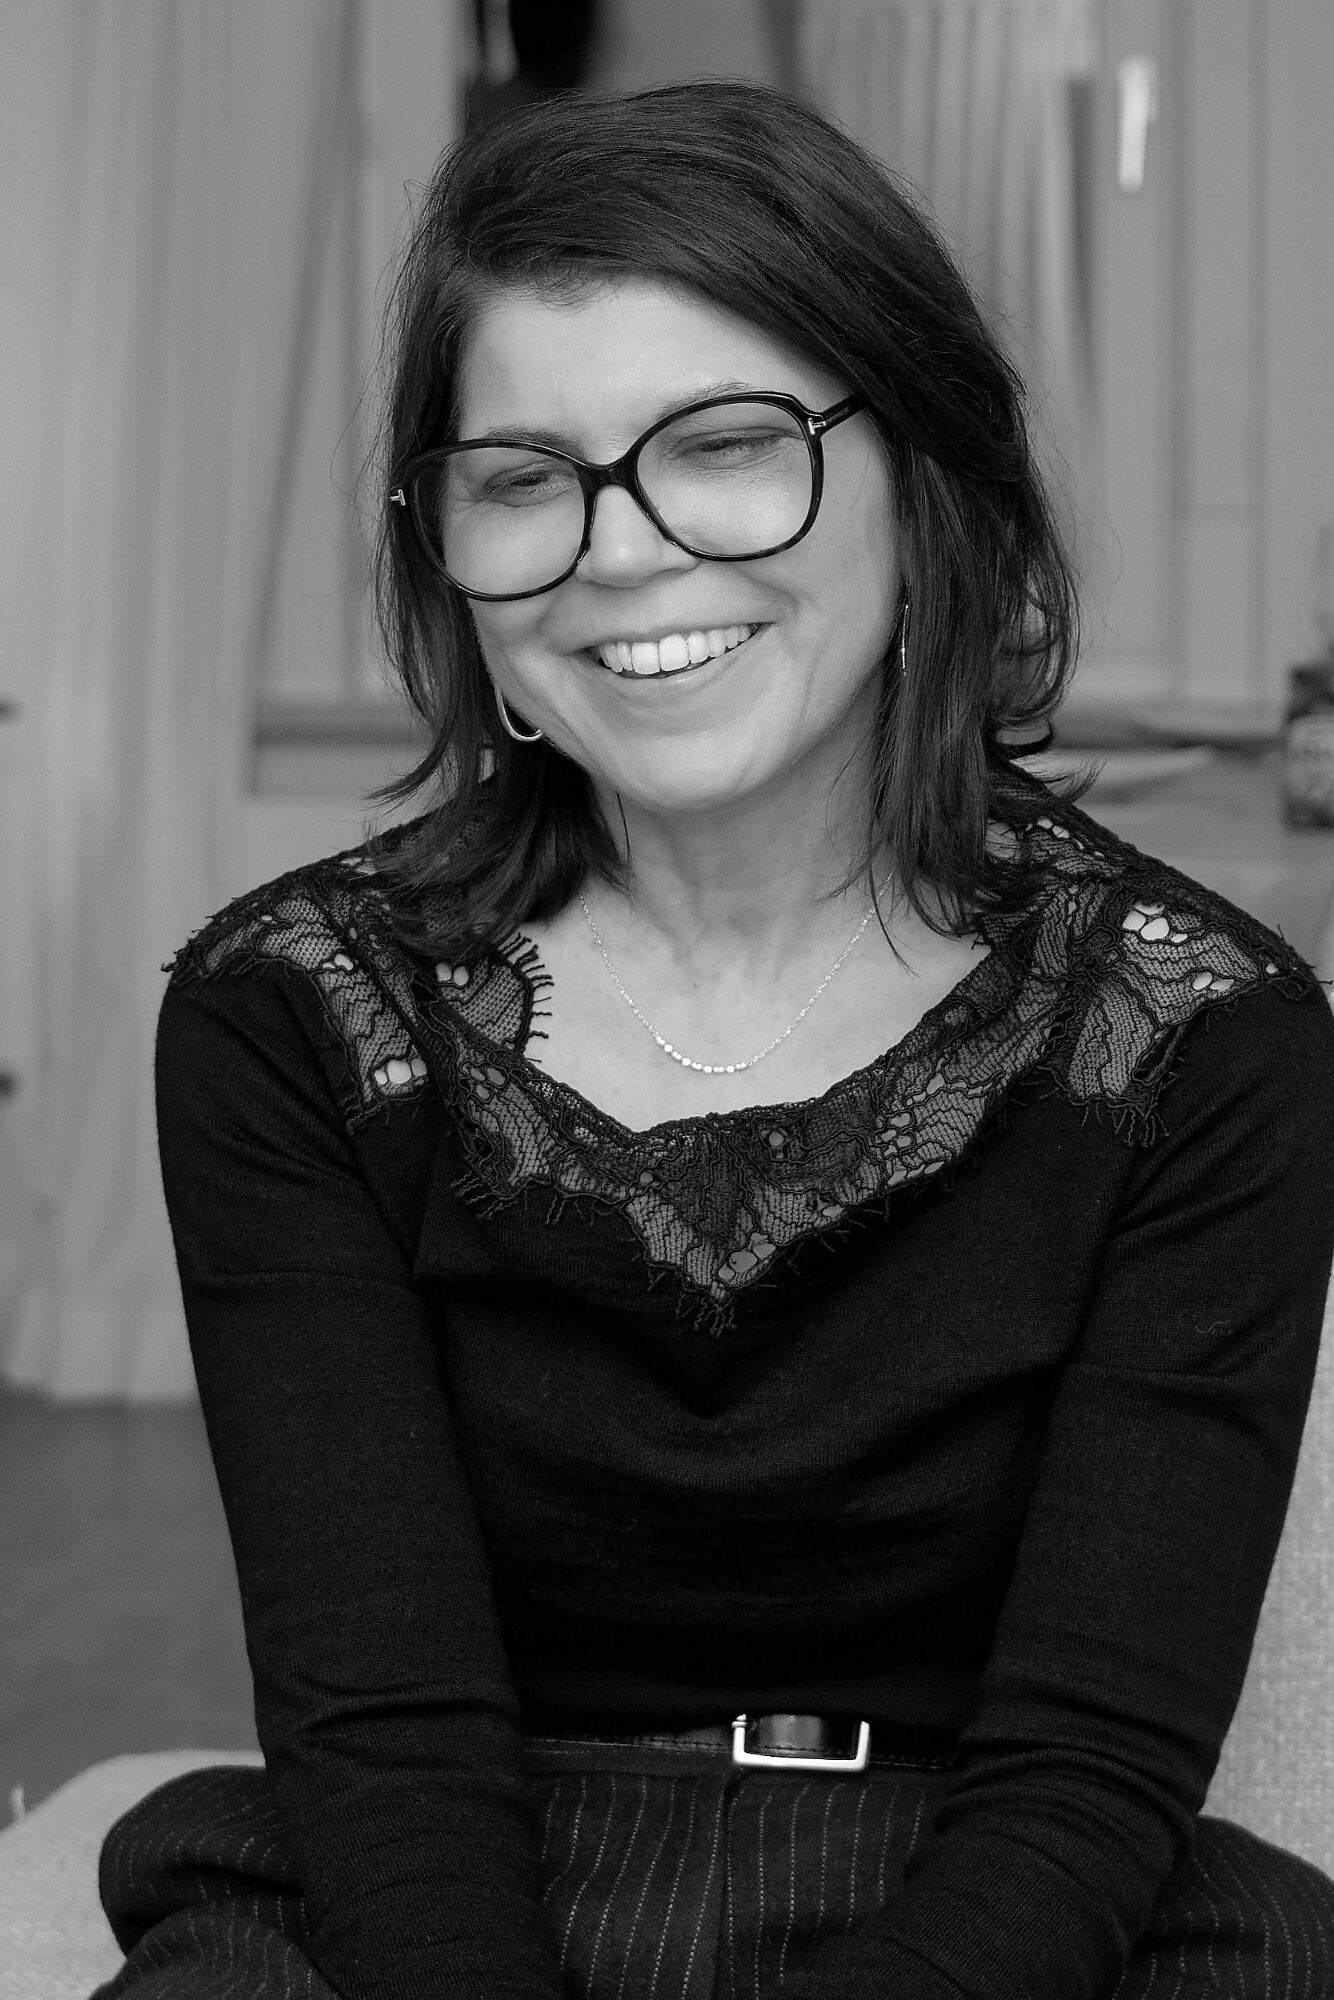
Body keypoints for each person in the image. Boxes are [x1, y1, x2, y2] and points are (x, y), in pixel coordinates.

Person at [95, 79, 1334, 2000]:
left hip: (991, 1913)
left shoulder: (1200, 1033)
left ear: (924, 479)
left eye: (729, 446)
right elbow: (384, 1726)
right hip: (444, 1898)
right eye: (523, 479)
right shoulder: (293, 1014)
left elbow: (1088, 1773)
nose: (620, 550)